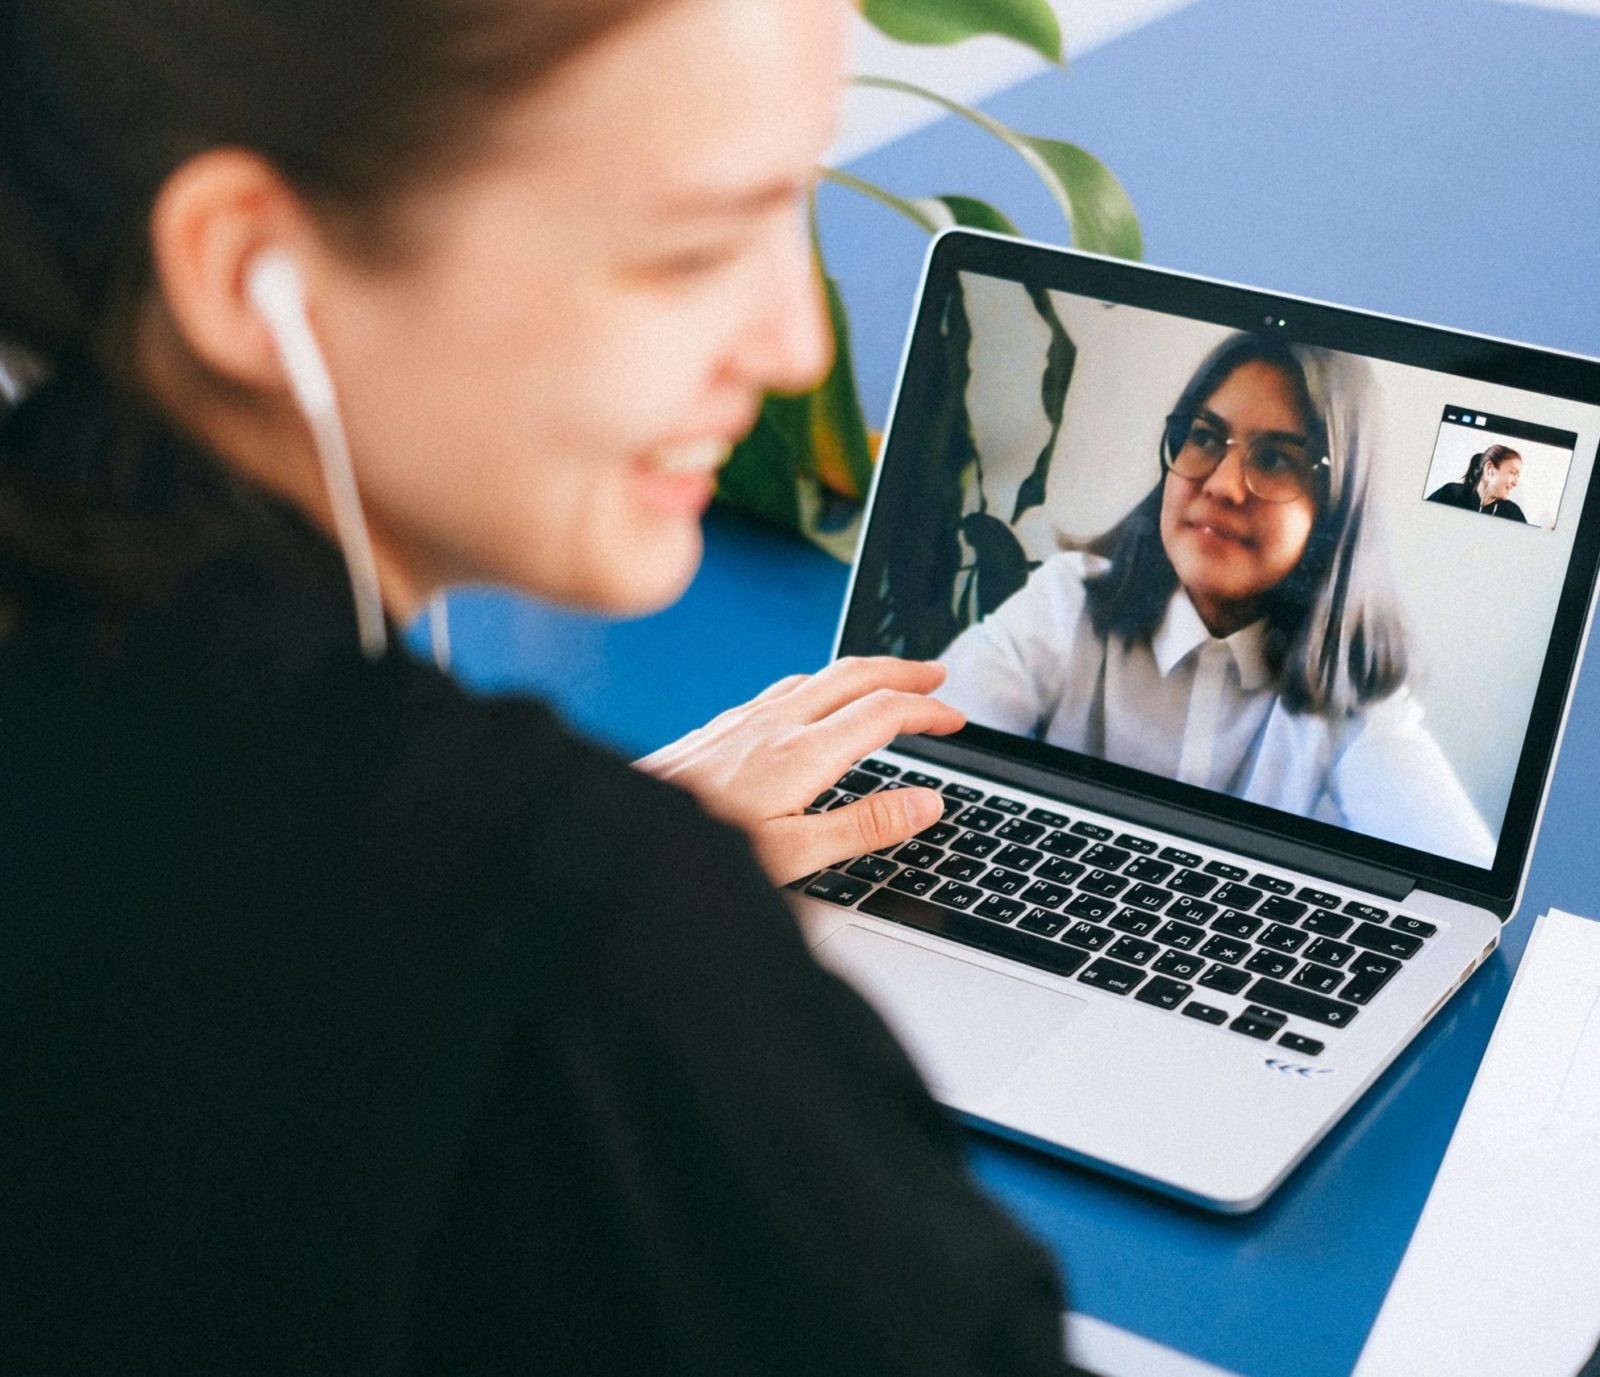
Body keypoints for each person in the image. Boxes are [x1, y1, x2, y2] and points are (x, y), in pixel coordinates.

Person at [0, 2, 1085, 1372]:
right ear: (246, 268)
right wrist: (589, 919)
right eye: (691, 248)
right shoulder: (589, 960)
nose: (795, 349)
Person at [939, 331, 1495, 866]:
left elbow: (1454, 875)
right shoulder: (1068, 601)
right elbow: (923, 746)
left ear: (1335, 506)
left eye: (1275, 458)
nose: (1223, 486)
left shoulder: (1354, 691)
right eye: (1205, 437)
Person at [1426, 443, 1529, 521]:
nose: (1515, 483)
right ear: (1489, 469)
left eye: (1517, 476)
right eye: (1512, 473)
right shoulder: (1451, 494)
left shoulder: (1512, 513)